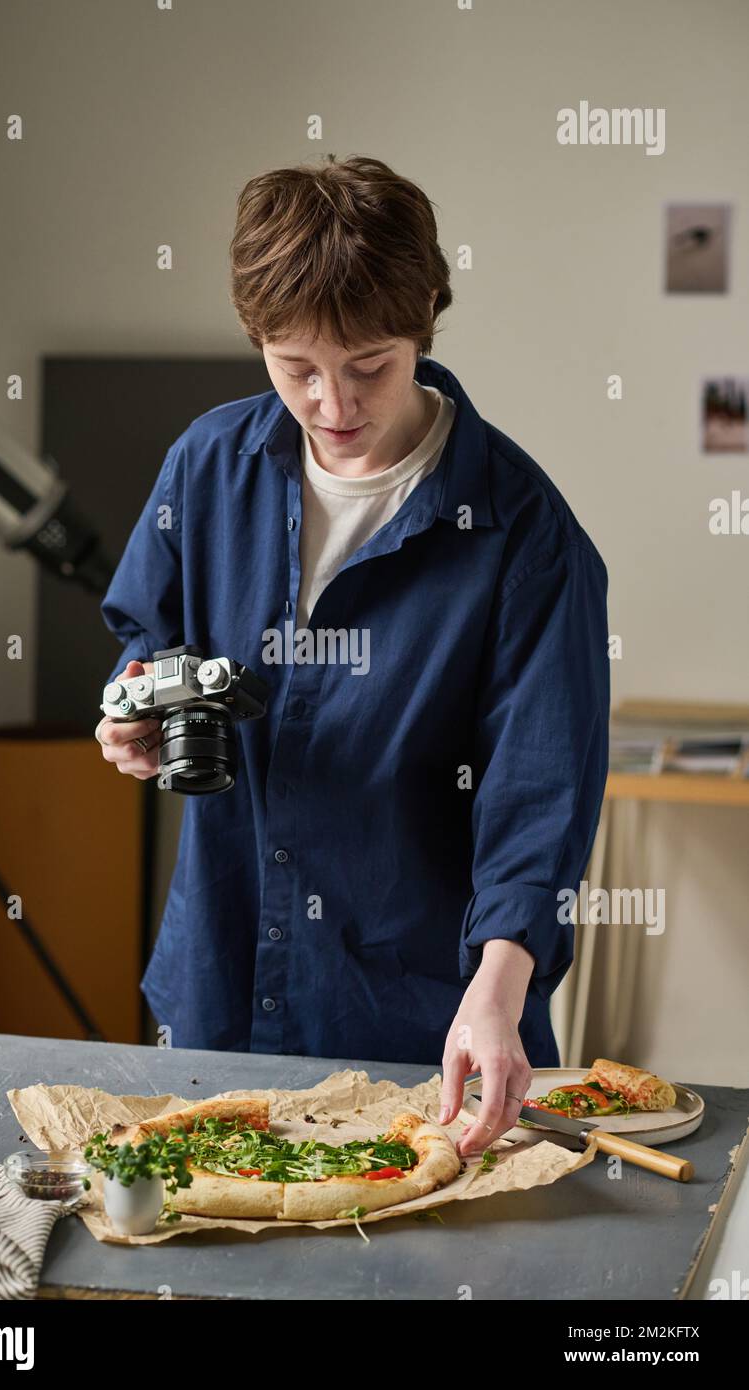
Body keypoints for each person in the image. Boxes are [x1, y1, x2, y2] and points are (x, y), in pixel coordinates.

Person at [96, 154, 610, 1158]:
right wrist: (128, 712)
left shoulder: (521, 533)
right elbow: (141, 640)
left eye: (369, 363)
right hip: (219, 990)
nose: (331, 404)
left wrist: (497, 994)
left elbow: (538, 803)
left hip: (425, 1027)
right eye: (293, 368)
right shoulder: (207, 463)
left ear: (423, 320)